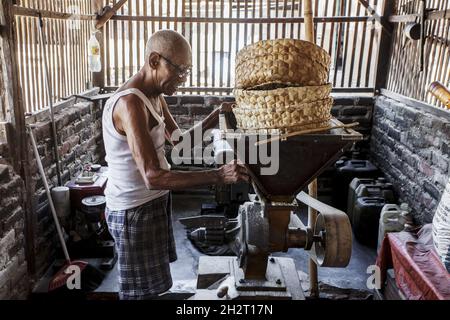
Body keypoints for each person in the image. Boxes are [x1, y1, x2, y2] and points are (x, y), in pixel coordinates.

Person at [102, 30, 249, 300]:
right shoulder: (130, 103)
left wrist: (213, 118)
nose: (183, 79)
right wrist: (218, 175)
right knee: (138, 294)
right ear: (154, 60)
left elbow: (180, 144)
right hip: (133, 211)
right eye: (180, 71)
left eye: (188, 71)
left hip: (153, 204)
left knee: (154, 287)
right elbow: (153, 176)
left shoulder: (155, 96)